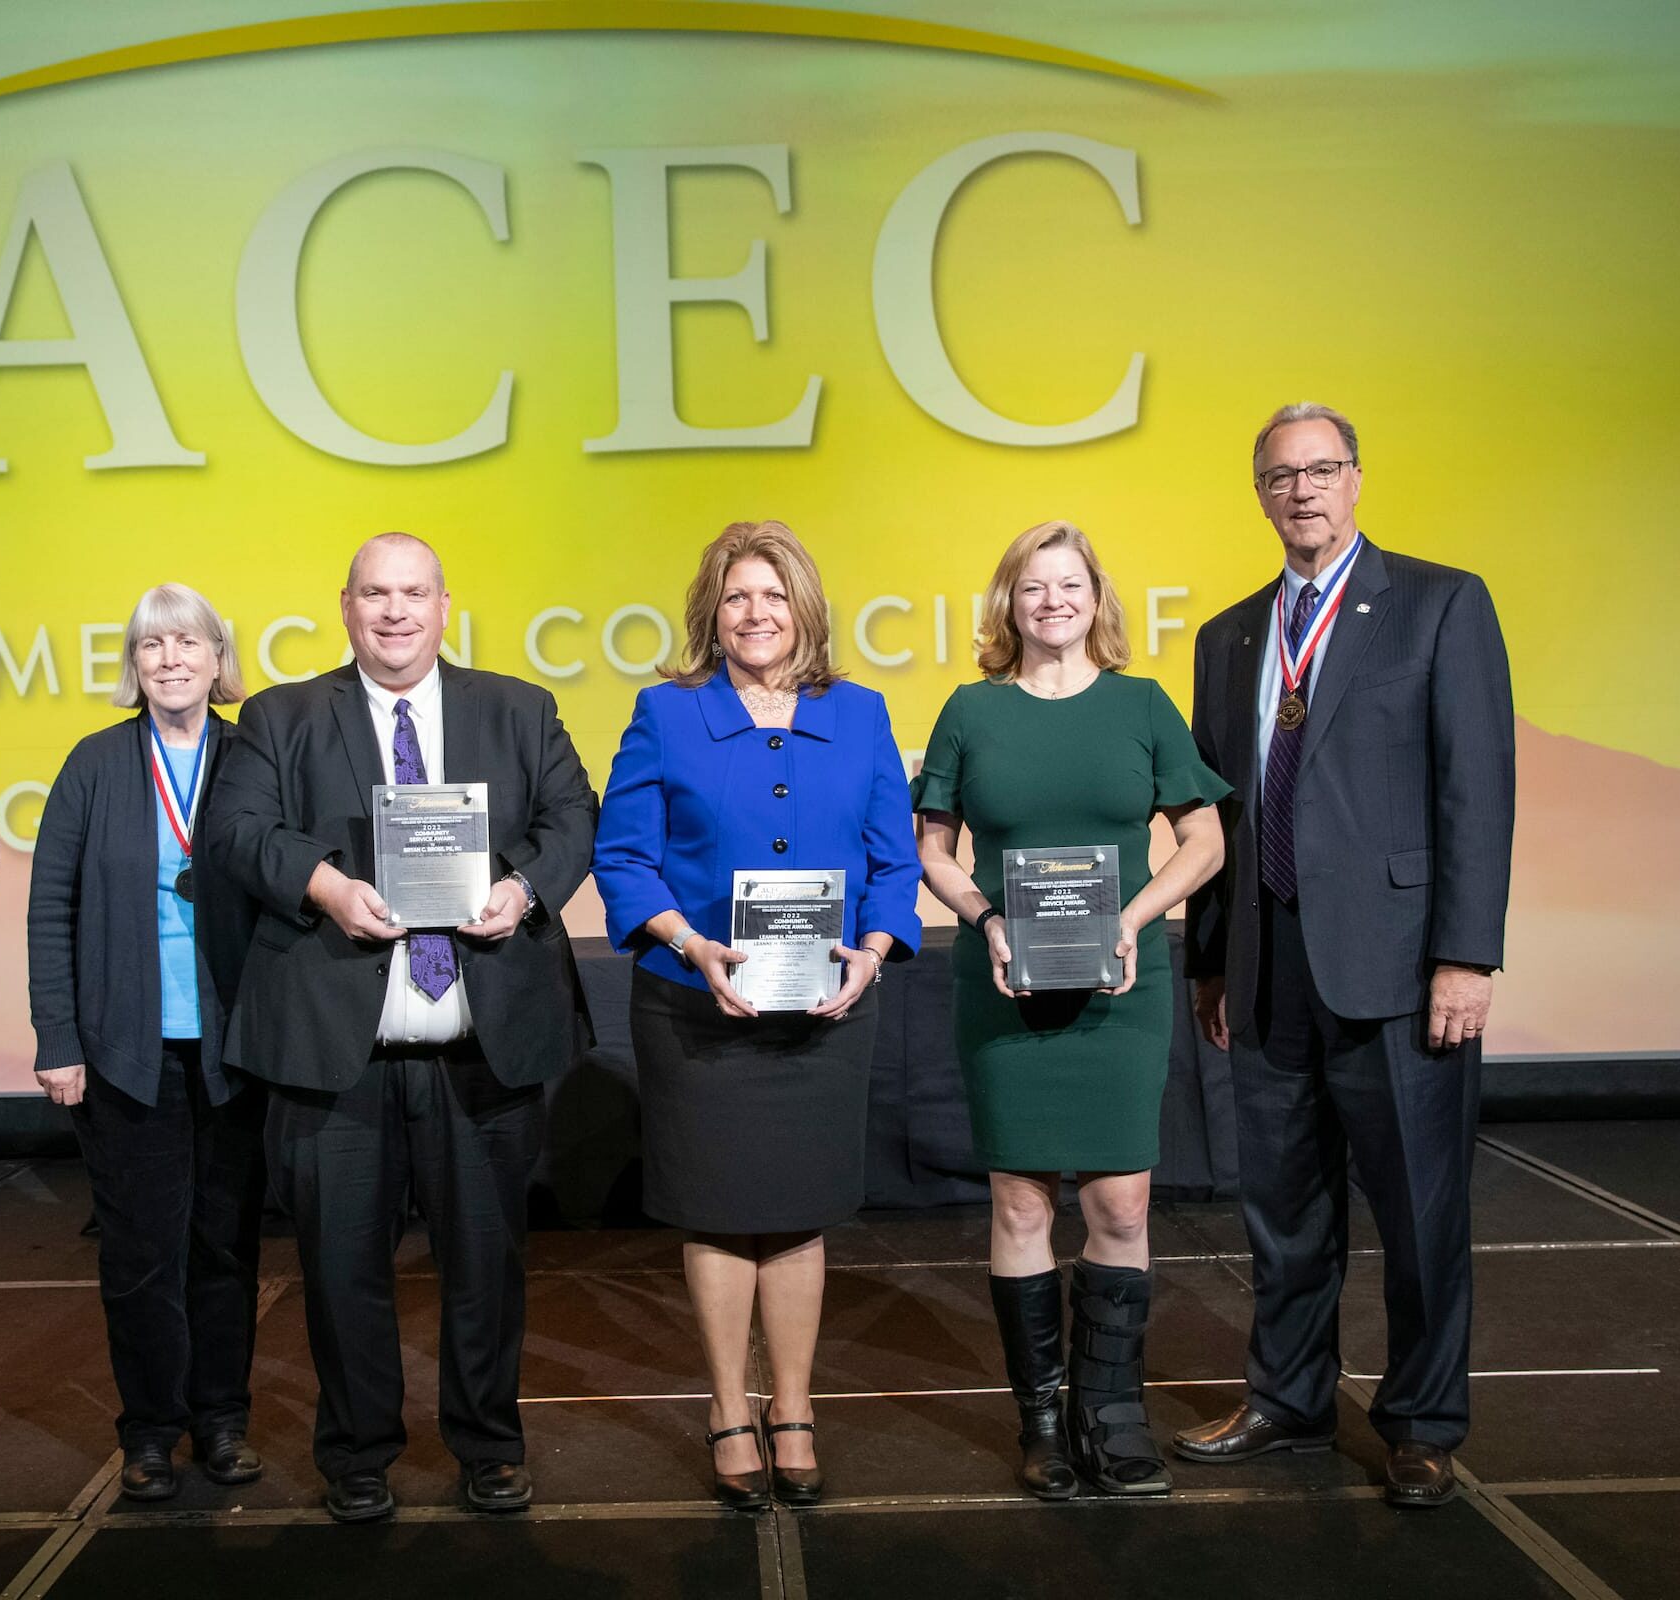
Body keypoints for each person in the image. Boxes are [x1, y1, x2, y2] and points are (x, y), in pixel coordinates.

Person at [203, 532, 596, 1524]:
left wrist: (522, 890)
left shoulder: (517, 707)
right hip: (338, 1055)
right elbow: (236, 832)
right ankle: (356, 1453)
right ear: (343, 606)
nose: (392, 611)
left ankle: (488, 1445)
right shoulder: (280, 716)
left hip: (481, 1042)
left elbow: (572, 818)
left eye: (410, 593)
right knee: (339, 1273)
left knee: (485, 1268)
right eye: (373, 593)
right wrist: (325, 885)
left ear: (442, 604)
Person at [1176, 403, 1514, 1508]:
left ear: (1356, 479)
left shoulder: (1437, 602)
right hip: (1269, 974)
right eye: (1280, 475)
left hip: (1399, 972)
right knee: (1282, 1213)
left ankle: (1419, 1422)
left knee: (1418, 1215)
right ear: (1259, 493)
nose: (1302, 490)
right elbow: (1216, 817)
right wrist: (1213, 961)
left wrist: (1464, 955)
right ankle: (1287, 1398)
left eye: (1321, 469)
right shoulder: (1226, 635)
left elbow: (1475, 791)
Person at [592, 520, 923, 1511]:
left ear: (804, 610)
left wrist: (871, 954)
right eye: (737, 597)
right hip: (699, 1005)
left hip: (823, 1010)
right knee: (718, 1213)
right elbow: (624, 857)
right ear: (711, 612)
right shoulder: (664, 712)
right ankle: (728, 1408)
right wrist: (689, 944)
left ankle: (794, 1408)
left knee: (795, 1216)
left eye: (773, 596)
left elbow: (893, 861)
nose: (755, 614)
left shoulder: (860, 715)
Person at [913, 521, 1229, 1499]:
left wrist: (1132, 918)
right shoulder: (969, 710)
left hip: (1117, 988)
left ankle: (1113, 1413)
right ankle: (1042, 1423)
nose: (1051, 600)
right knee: (1018, 1200)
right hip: (1004, 985)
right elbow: (931, 846)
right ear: (1008, 602)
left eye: (1068, 584)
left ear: (1096, 599)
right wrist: (984, 915)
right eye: (1032, 586)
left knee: (1120, 1199)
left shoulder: (1141, 706)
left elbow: (1203, 840)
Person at [26, 583, 265, 1502]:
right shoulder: (93, 765)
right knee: (140, 1255)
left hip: (236, 1050)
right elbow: (53, 910)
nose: (170, 658)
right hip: (126, 1052)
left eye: (188, 642)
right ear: (134, 664)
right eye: (151, 644)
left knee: (226, 1247)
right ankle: (151, 1432)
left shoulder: (253, 757)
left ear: (218, 658)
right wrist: (58, 1038)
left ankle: (222, 1419)